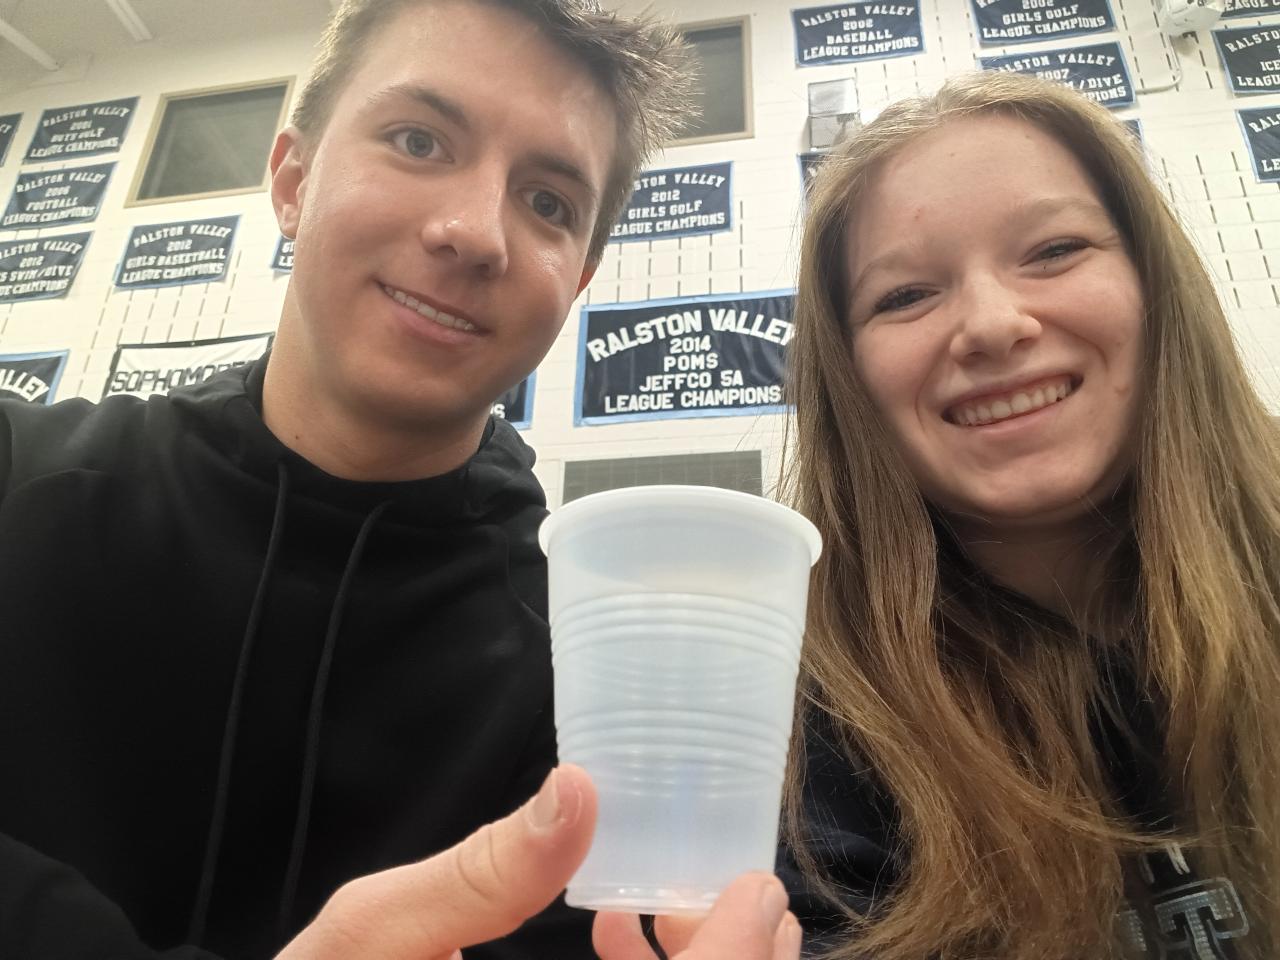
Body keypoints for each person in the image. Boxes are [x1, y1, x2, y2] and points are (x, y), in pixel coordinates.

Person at [0, 1, 803, 958]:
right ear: (293, 179)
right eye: (419, 141)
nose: (475, 232)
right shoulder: (19, 474)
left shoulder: (588, 674)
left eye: (549, 203)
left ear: (577, 283)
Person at [779, 71, 1280, 960]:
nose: (991, 324)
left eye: (1054, 250)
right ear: (848, 377)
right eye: (905, 296)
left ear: (1153, 282)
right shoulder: (801, 719)